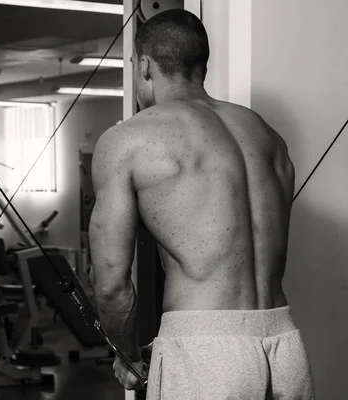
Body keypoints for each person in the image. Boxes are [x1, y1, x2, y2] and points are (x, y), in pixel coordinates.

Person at [89, 9, 315, 399]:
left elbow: (111, 286)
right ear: (201, 64)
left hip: (206, 352)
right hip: (285, 345)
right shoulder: (267, 135)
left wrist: (127, 355)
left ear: (144, 65)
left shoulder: (128, 140)